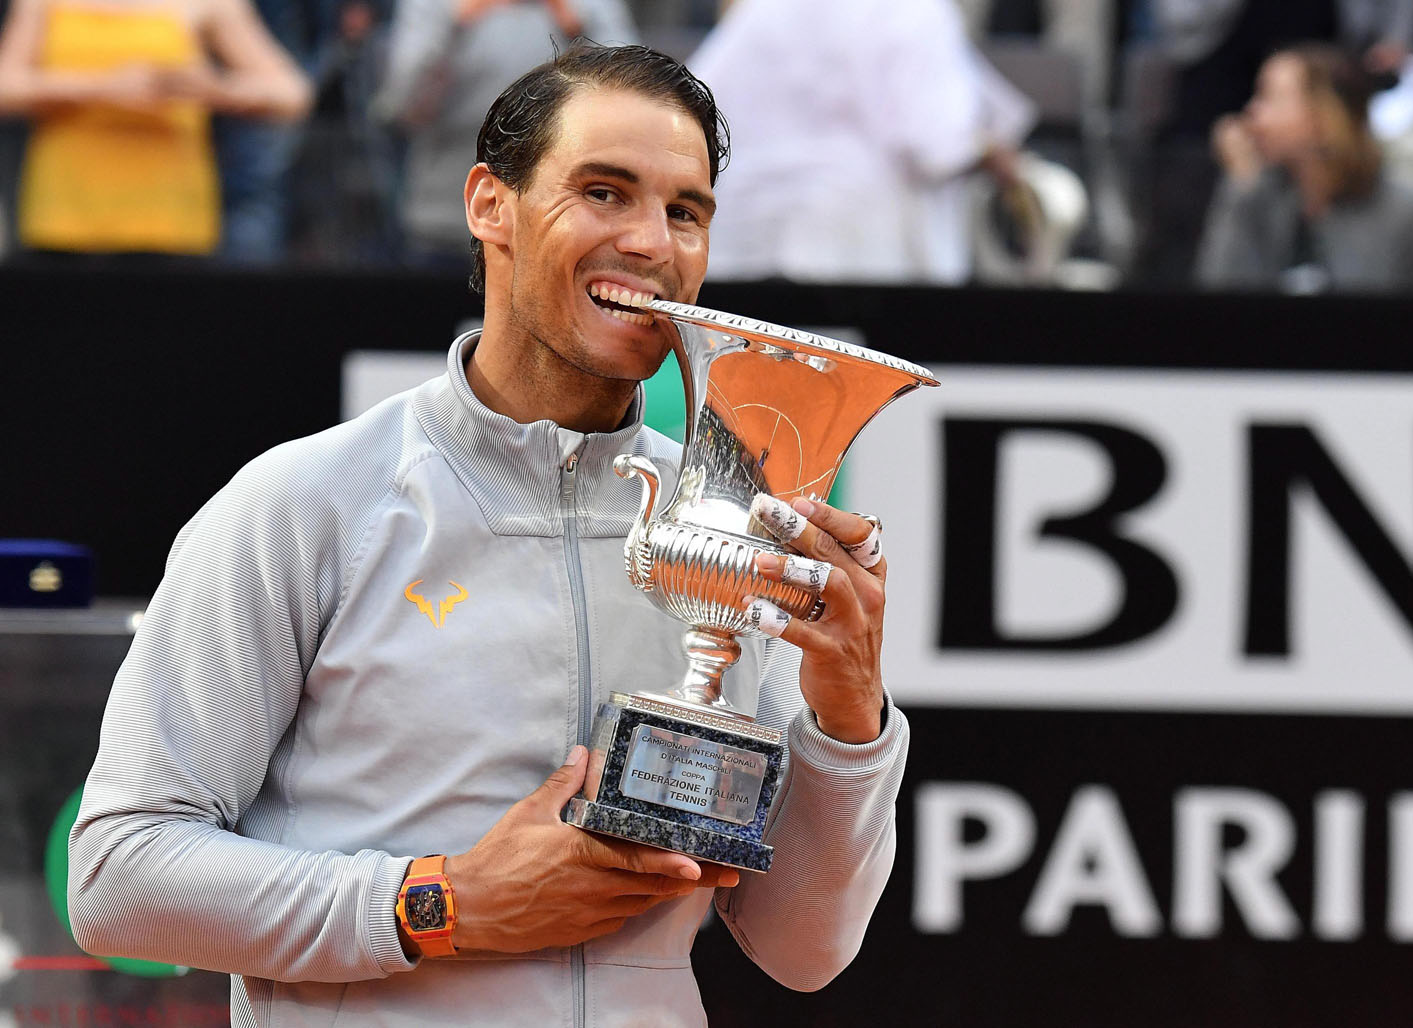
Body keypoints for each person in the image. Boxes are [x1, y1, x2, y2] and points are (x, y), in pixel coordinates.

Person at [67, 43, 907, 1026]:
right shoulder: (305, 501)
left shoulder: (729, 520)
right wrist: (440, 902)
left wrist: (849, 716)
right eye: (604, 191)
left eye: (686, 210)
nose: (650, 240)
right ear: (487, 204)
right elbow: (119, 875)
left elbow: (805, 948)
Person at [688, 0, 1036, 284]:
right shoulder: (917, 10)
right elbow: (934, 144)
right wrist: (994, 154)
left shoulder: (765, 6)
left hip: (751, 238)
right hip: (865, 251)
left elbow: (696, 103)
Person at [0, 0, 311, 256]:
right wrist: (100, 87)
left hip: (170, 217)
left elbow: (291, 94)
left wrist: (212, 89)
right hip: (63, 214)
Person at [372, 0, 637, 264]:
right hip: (444, 220)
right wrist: (454, 24)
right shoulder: (436, 7)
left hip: (560, 226)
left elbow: (630, 97)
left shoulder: (589, 7)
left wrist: (577, 28)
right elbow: (398, 107)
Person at [1195, 44, 1413, 291]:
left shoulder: (1407, 216)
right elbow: (1220, 302)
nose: (1253, 113)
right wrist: (1242, 186)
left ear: (1323, 117)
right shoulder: (1258, 198)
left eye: (1268, 97)